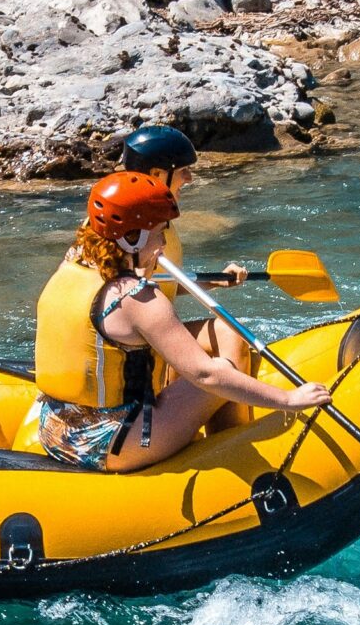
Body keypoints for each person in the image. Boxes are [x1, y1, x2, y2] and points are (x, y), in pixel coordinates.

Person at [31, 171, 329, 471]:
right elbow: (206, 375)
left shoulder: (76, 262)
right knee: (223, 371)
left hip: (56, 430)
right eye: (159, 231)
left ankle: (228, 442)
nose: (163, 241)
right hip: (108, 442)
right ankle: (238, 454)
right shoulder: (138, 299)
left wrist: (210, 283)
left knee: (222, 338)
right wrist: (289, 399)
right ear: (132, 238)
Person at [119, 123, 256, 373]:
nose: (190, 178)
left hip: (159, 332)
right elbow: (131, 295)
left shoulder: (160, 222)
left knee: (230, 332)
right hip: (132, 346)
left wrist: (215, 281)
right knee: (228, 340)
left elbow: (162, 283)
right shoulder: (127, 230)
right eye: (183, 170)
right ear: (158, 174)